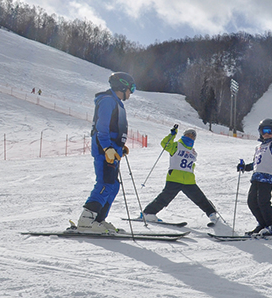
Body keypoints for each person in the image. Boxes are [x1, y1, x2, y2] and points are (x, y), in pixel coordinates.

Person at [76, 72, 135, 232]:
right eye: (131, 88)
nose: (131, 92)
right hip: (105, 151)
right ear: (122, 86)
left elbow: (114, 128)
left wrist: (119, 146)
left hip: (112, 150)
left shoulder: (116, 103)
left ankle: (98, 220)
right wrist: (108, 148)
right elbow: (102, 128)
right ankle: (86, 219)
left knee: (113, 185)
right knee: (105, 183)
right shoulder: (107, 101)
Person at [140, 127, 221, 225]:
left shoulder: (193, 152)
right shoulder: (176, 145)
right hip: (174, 178)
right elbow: (164, 144)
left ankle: (212, 213)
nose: (190, 137)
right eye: (188, 135)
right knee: (165, 198)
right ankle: (148, 213)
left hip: (188, 180)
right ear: (184, 135)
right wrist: (172, 135)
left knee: (199, 198)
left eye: (192, 136)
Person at [237, 119, 272, 235]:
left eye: (269, 131)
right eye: (263, 131)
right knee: (252, 202)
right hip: (256, 177)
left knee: (263, 202)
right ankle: (263, 223)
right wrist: (244, 167)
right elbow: (256, 163)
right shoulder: (258, 147)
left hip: (267, 177)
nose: (266, 133)